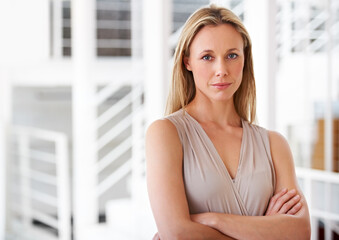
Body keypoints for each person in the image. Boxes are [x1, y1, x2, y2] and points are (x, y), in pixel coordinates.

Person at [146, 4, 311, 240]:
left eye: (232, 55)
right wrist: (266, 229)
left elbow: (300, 232)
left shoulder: (275, 144)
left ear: (245, 59)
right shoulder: (166, 134)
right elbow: (177, 234)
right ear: (187, 62)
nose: (221, 70)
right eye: (207, 57)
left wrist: (212, 219)